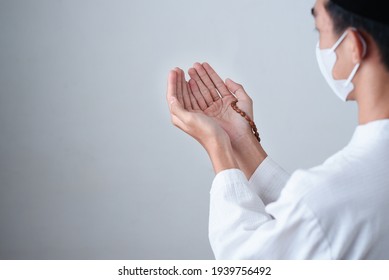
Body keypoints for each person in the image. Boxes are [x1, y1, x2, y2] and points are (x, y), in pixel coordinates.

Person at [166, 0, 389, 259]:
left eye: (319, 30)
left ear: (353, 46)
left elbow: (246, 262)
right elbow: (313, 223)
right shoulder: (344, 192)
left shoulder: (331, 196)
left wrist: (218, 147)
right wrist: (241, 141)